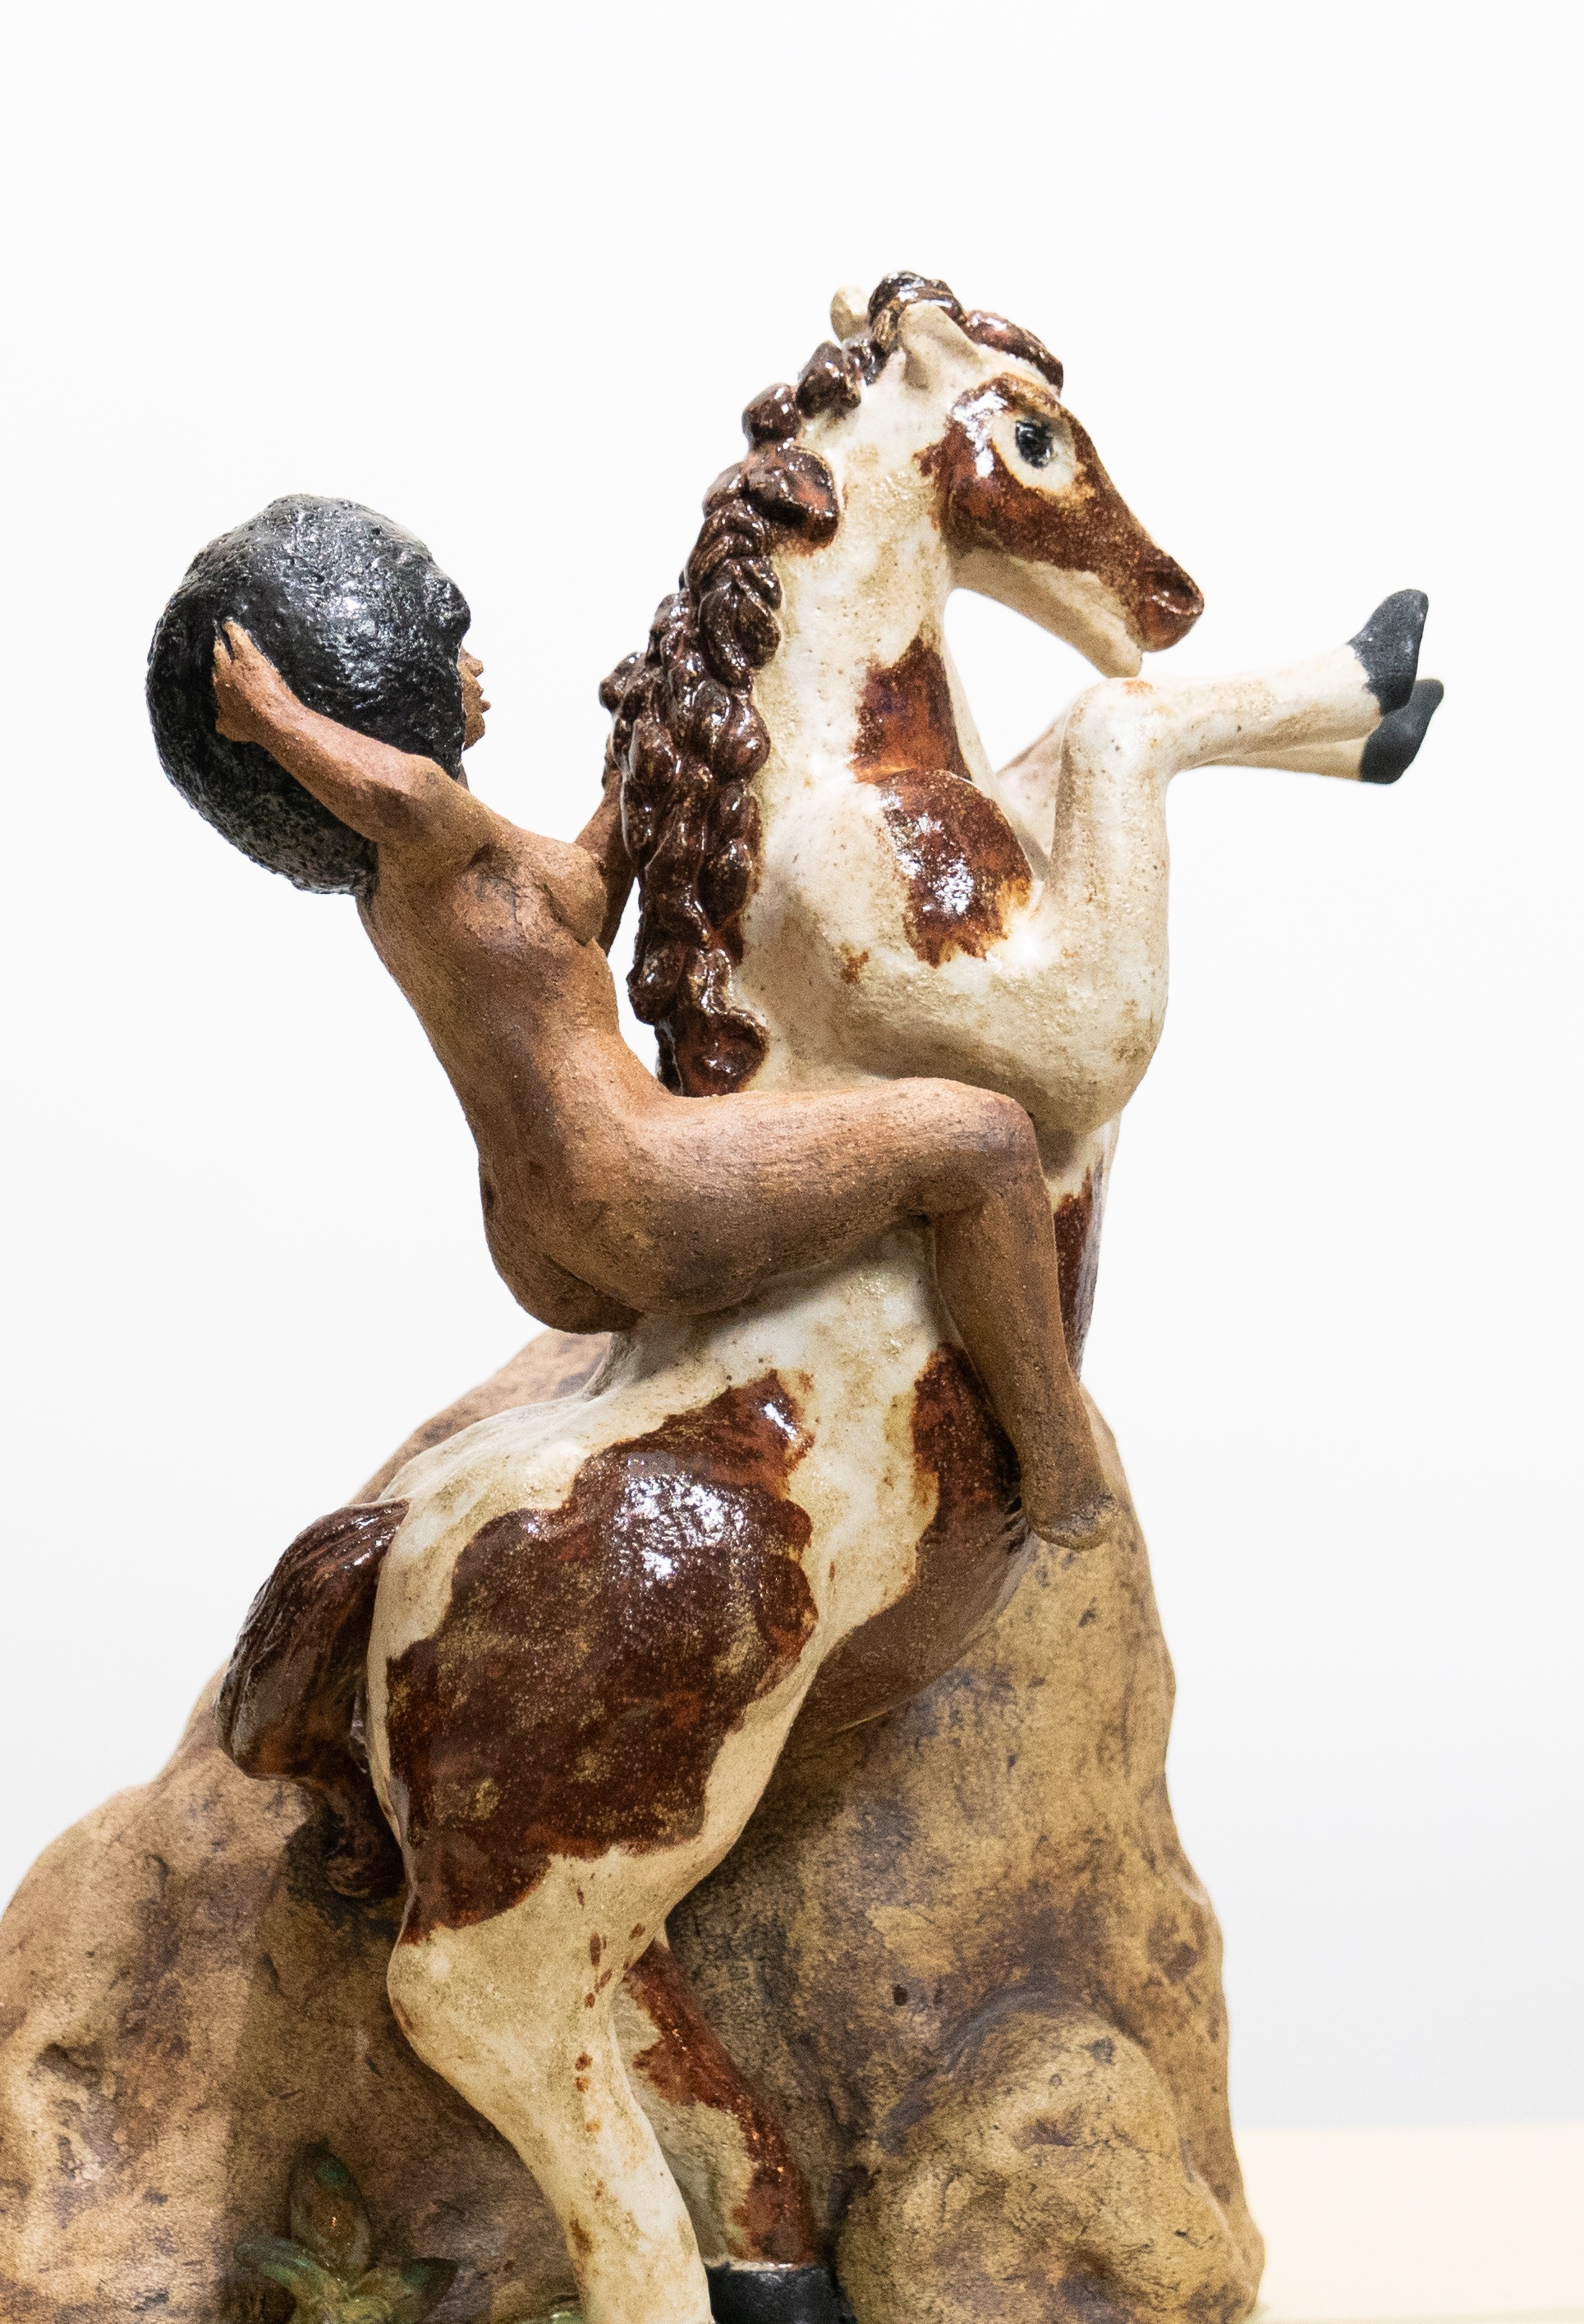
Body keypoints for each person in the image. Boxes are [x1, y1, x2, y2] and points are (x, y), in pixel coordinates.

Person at [156, 500, 1113, 1550]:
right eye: (450, 655)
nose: (476, 670)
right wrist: (273, 714)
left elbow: (574, 913)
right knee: (983, 1142)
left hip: (539, 1238)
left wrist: (645, 751)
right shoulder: (425, 828)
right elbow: (403, 791)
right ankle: (1061, 1467)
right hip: (631, 1182)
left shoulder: (433, 886)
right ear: (380, 691)